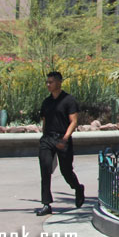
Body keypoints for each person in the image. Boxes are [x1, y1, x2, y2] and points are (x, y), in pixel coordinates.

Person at [36, 71, 84, 216]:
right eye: (47, 82)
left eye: (51, 82)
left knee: (66, 171)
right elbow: (44, 121)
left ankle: (78, 188)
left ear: (59, 82)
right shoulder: (46, 102)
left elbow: (74, 122)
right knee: (45, 169)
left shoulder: (69, 100)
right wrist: (44, 137)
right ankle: (46, 204)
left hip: (63, 138)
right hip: (48, 139)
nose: (48, 85)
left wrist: (65, 138)